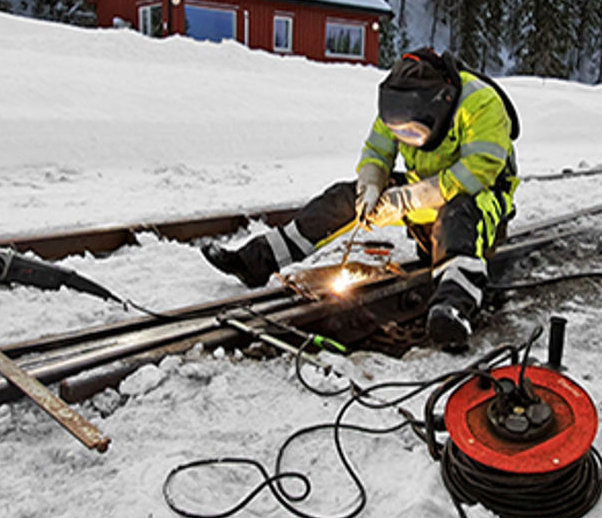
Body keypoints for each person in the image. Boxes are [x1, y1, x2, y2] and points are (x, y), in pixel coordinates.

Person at [202, 47, 519, 347]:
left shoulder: (480, 103)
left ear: (441, 103)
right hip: (425, 203)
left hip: (480, 206)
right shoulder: (401, 102)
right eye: (400, 131)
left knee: (459, 212)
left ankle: (453, 310)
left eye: (411, 132)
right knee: (343, 198)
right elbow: (378, 151)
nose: (404, 137)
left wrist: (407, 199)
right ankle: (254, 262)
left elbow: (478, 172)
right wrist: (370, 186)